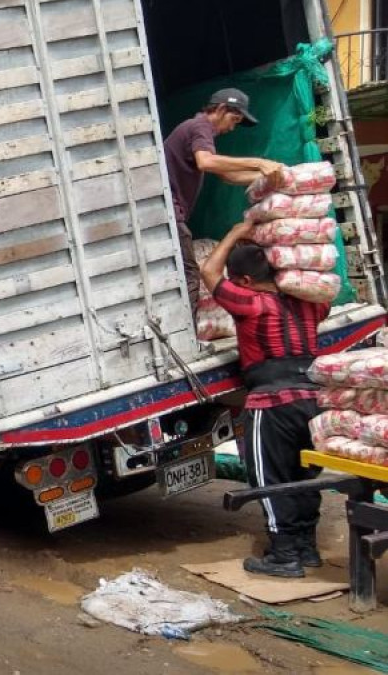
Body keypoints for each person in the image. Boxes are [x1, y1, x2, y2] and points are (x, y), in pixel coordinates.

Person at [201, 220, 331, 578]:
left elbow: (209, 270)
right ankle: (307, 549)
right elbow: (322, 293)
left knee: (269, 478)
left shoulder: (252, 304)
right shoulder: (310, 305)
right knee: (305, 474)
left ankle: (283, 555)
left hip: (271, 403)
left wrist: (235, 231)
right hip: (312, 398)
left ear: (243, 281)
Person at [165, 88, 285, 314]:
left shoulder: (200, 131)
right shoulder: (200, 127)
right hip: (171, 211)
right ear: (220, 109)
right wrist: (258, 163)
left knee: (180, 272)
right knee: (189, 274)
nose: (232, 127)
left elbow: (228, 176)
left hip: (173, 213)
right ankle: (188, 340)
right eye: (234, 119)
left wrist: (271, 177)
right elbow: (206, 162)